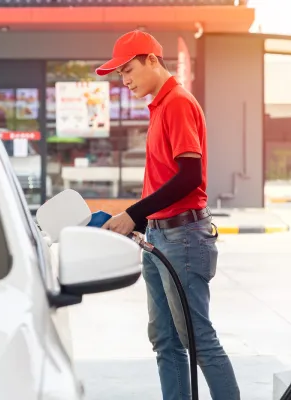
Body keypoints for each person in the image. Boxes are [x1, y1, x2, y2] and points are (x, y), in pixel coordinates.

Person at [96, 30, 241, 400]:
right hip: (160, 237)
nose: (124, 80)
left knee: (198, 340)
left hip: (183, 240)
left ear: (152, 60)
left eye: (128, 70)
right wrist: (139, 221)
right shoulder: (160, 107)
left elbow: (190, 176)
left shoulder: (177, 103)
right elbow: (164, 178)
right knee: (165, 340)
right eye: (119, 74)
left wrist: (133, 213)